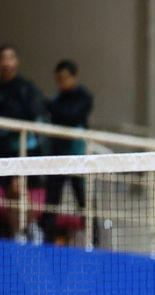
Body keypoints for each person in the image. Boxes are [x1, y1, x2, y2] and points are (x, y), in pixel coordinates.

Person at [39, 59, 93, 243]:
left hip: (78, 157)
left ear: (74, 77)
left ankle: (94, 241)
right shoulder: (57, 99)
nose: (61, 82)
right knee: (52, 201)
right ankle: (46, 242)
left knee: (84, 200)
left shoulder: (83, 97)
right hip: (57, 157)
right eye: (58, 79)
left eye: (64, 78)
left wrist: (51, 107)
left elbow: (71, 116)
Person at [0, 45, 45, 236]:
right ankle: (17, 233)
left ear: (16, 61)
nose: (6, 62)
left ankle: (32, 228)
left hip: (23, 148)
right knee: (9, 194)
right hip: (3, 149)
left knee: (18, 188)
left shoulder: (26, 88)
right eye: (3, 58)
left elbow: (32, 115)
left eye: (10, 57)